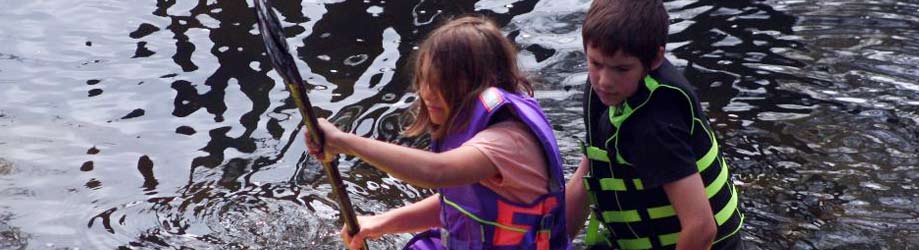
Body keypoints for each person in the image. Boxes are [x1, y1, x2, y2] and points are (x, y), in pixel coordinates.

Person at [305, 16, 569, 250]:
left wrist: (344, 142)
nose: (427, 93)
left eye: (441, 83)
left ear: (476, 83)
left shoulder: (508, 142)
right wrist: (380, 223)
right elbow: (456, 202)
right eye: (424, 79)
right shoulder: (475, 129)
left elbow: (436, 172)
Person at [563, 0, 745, 249]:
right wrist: (549, 242)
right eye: (595, 63)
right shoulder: (608, 91)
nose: (604, 81)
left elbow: (701, 227)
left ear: (656, 58)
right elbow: (589, 173)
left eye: (622, 69)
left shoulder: (656, 123)